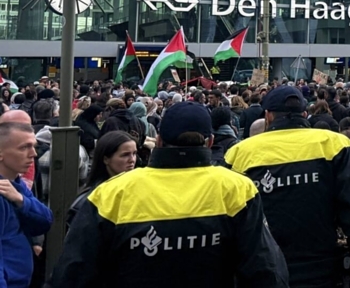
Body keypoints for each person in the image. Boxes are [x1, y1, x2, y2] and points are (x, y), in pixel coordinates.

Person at [52, 102, 288, 288]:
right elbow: (265, 270)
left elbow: (73, 273)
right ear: (210, 141)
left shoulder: (111, 193)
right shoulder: (237, 189)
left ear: (160, 141)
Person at [225, 86, 350, 288]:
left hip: (264, 273)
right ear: (304, 114)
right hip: (323, 270)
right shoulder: (335, 145)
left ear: (268, 117)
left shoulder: (239, 153)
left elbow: (230, 223)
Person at [0, 121, 52, 288]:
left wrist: (21, 200)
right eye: (24, 148)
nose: (34, 154)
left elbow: (45, 220)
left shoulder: (15, 184)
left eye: (34, 146)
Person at [66, 131, 137, 229]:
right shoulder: (89, 199)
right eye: (125, 155)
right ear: (106, 159)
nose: (132, 159)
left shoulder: (136, 190)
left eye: (134, 154)